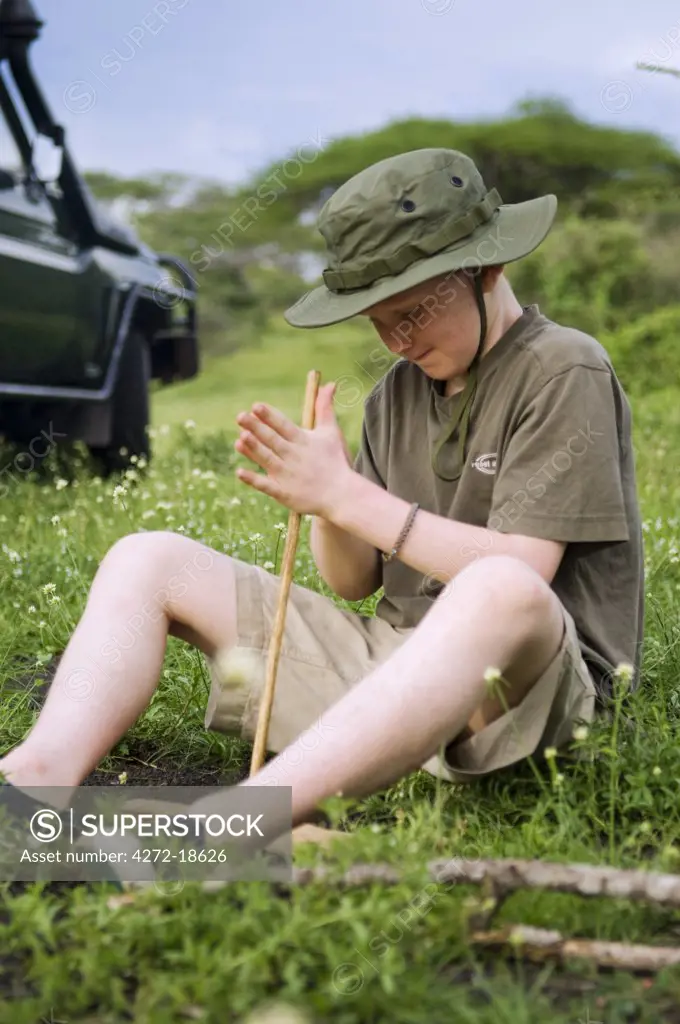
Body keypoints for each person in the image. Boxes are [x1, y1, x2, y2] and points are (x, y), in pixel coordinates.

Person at [0, 148, 644, 843]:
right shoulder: (395, 393)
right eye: (375, 317)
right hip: (393, 680)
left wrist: (350, 496)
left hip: (526, 702)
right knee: (146, 557)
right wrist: (327, 501)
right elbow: (352, 581)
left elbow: (528, 571)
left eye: (411, 312)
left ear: (486, 269)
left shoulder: (562, 366)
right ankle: (31, 785)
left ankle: (234, 824)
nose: (395, 339)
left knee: (500, 586)